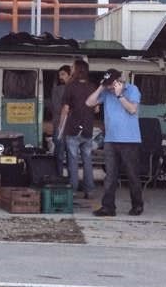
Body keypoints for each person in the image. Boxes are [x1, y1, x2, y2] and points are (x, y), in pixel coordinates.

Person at [87, 68, 144, 217]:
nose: (110, 88)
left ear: (120, 81)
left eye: (112, 84)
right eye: (108, 85)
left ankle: (137, 205)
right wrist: (101, 87)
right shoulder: (106, 92)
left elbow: (132, 109)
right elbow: (89, 102)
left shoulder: (132, 90)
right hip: (110, 139)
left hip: (130, 140)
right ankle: (108, 207)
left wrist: (119, 96)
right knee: (110, 176)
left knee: (132, 174)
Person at [57, 59, 96, 199]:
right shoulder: (92, 87)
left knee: (73, 160)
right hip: (88, 129)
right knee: (87, 160)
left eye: (72, 67)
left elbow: (65, 109)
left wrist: (60, 127)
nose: (71, 69)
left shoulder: (71, 86)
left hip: (73, 128)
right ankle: (89, 190)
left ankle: (73, 190)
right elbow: (96, 108)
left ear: (77, 69)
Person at [50, 65, 71, 178]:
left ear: (70, 75)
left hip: (67, 125)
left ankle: (66, 178)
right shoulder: (58, 89)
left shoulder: (72, 88)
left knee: (66, 154)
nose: (60, 77)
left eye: (63, 74)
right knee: (61, 153)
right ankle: (60, 177)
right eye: (59, 75)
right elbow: (56, 107)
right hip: (61, 124)